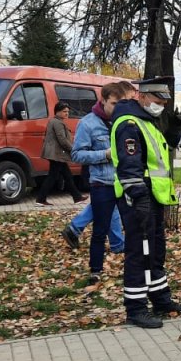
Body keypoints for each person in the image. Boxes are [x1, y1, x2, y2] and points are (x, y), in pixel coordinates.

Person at [111, 77, 181, 328]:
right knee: (139, 253)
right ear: (141, 96)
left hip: (152, 197)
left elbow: (158, 155)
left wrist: (175, 130)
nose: (161, 106)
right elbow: (130, 165)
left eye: (164, 103)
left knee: (155, 251)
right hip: (138, 198)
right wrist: (139, 197)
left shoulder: (147, 121)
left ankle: (160, 299)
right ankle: (135, 308)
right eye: (157, 101)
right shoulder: (129, 123)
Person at [70, 81, 133, 284]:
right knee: (100, 229)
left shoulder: (126, 121)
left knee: (132, 227)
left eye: (121, 103)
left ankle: (134, 266)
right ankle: (95, 270)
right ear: (103, 100)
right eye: (114, 104)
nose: (118, 108)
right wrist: (104, 154)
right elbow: (77, 154)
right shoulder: (88, 123)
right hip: (102, 183)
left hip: (125, 181)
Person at [36, 102, 86, 206]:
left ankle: (77, 197)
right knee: (53, 177)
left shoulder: (54, 121)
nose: (67, 114)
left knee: (67, 176)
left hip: (56, 154)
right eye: (64, 112)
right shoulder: (58, 123)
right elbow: (62, 139)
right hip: (57, 154)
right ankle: (40, 199)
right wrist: (73, 149)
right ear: (57, 111)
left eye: (68, 111)